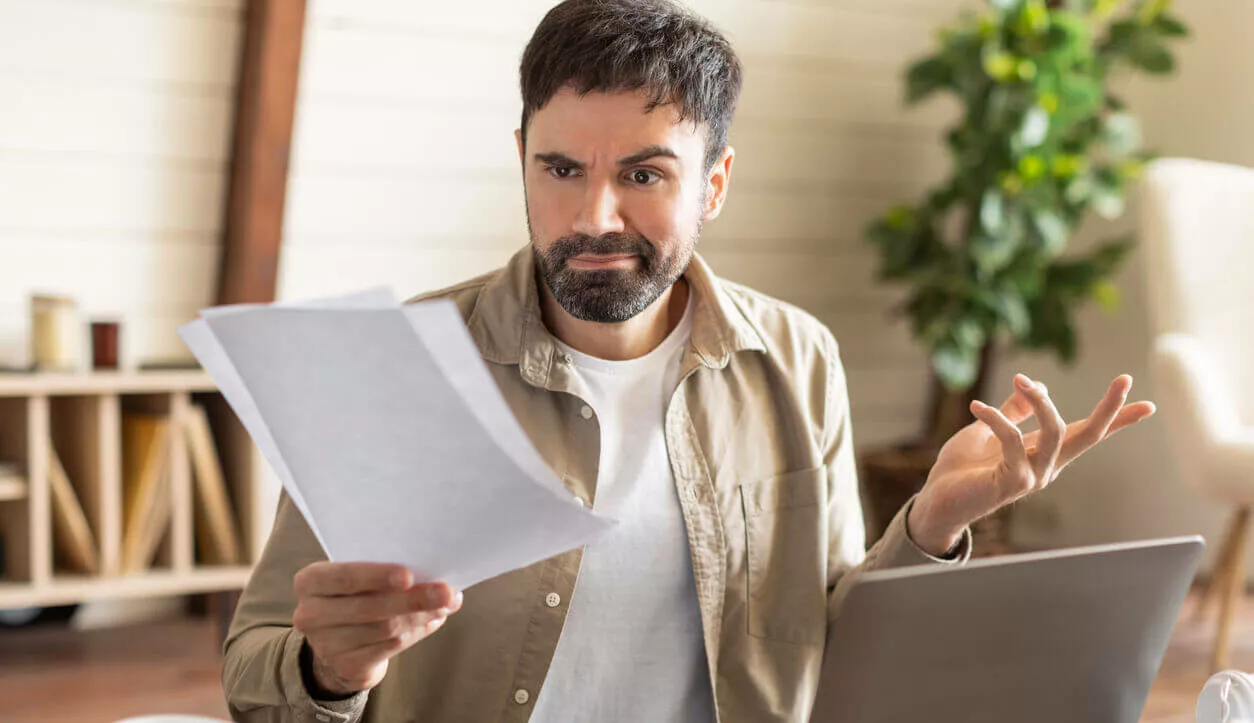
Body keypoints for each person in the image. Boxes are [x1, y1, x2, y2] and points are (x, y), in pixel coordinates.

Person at [221, 1, 1157, 721]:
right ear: (521, 158)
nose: (594, 217)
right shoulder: (400, 365)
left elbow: (829, 654)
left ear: (714, 183)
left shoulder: (798, 357)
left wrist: (933, 524)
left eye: (643, 173)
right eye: (560, 169)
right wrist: (329, 669)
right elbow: (254, 675)